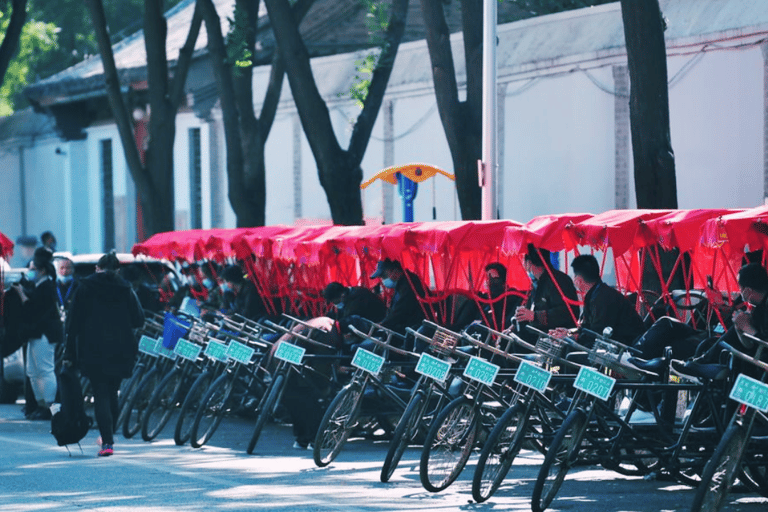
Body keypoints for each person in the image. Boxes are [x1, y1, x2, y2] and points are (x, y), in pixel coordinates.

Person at [64, 251, 145, 456]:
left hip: (92, 348)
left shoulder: (85, 287)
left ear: (97, 268)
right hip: (121, 348)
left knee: (100, 392)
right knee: (113, 392)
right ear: (118, 270)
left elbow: (73, 324)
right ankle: (109, 438)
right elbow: (138, 320)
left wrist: (70, 352)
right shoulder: (126, 289)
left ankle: (107, 441)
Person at [550, 254, 645, 348]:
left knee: (568, 350)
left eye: (575, 276)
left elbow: (597, 333)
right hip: (610, 342)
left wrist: (573, 337)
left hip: (626, 347)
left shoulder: (603, 298)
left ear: (578, 280)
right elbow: (586, 328)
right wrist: (569, 332)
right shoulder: (596, 293)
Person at [11, 247, 62, 420]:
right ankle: (41, 405)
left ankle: (51, 408)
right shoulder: (40, 285)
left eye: (33, 269)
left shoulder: (46, 286)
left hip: (45, 335)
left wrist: (21, 294)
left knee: (45, 370)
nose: (30, 272)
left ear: (42, 270)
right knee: (33, 372)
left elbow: (33, 309)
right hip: (36, 334)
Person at [513, 244, 579, 341]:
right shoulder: (536, 283)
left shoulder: (558, 281)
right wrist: (515, 324)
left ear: (529, 263)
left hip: (555, 338)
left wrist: (534, 316)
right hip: (536, 333)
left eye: (524, 259)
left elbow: (565, 313)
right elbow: (529, 310)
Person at [370, 258, 426, 336]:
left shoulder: (409, 285)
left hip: (411, 328)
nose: (383, 279)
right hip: (403, 327)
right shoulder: (400, 284)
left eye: (384, 276)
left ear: (395, 271)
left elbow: (401, 310)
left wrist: (383, 324)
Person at [322, 281, 387, 332]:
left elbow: (348, 318)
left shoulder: (357, 298)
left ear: (342, 295)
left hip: (379, 325)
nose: (335, 305)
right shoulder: (350, 295)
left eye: (335, 302)